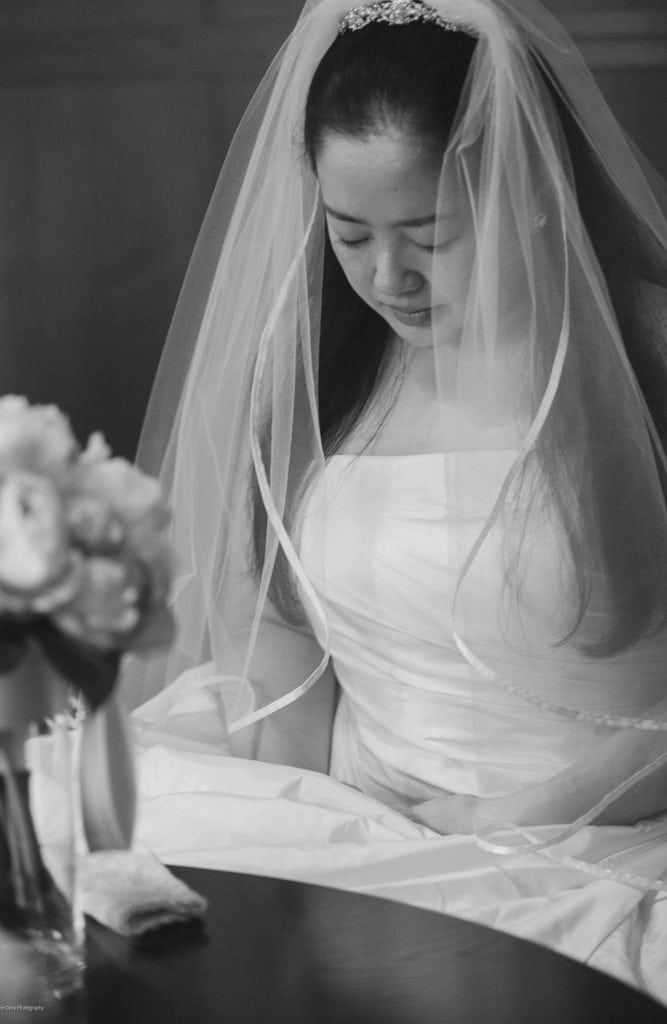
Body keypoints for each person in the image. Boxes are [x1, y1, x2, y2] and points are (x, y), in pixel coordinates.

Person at [127, 0, 667, 1001]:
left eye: (430, 233)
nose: (387, 278)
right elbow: (288, 675)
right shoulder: (313, 368)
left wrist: (524, 816)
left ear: (532, 188)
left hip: (607, 834)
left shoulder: (644, 356)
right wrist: (318, 856)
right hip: (367, 826)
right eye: (349, 233)